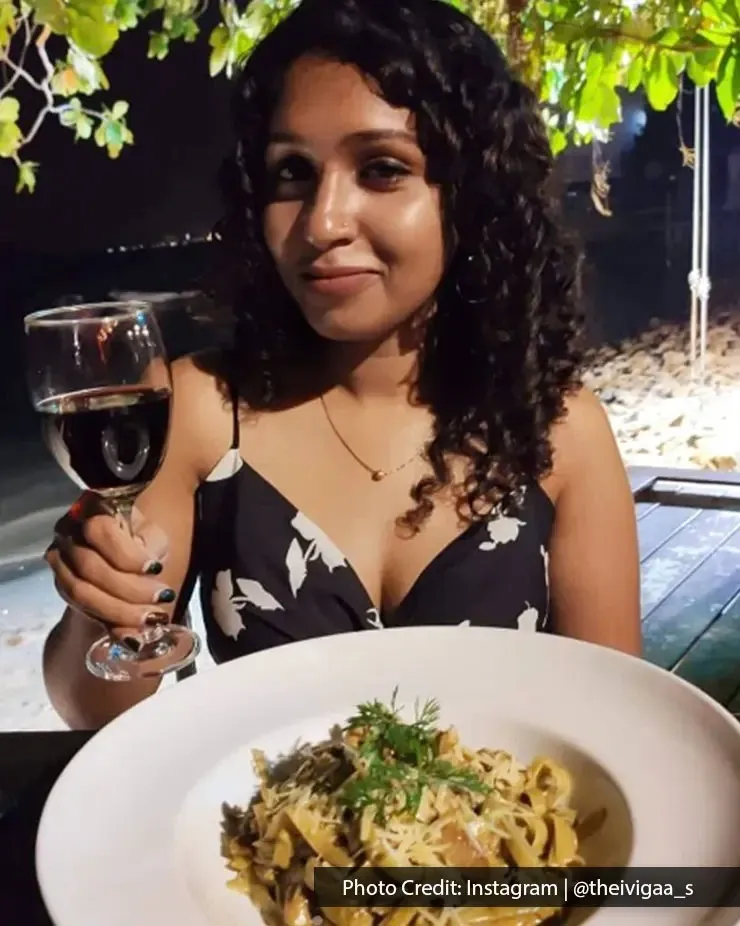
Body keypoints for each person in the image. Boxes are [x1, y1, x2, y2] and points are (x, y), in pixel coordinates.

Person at [42, 0, 641, 729]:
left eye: (382, 169)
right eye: (292, 172)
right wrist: (97, 604)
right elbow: (93, 711)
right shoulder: (201, 410)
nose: (322, 222)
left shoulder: (558, 432)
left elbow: (619, 718)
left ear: (472, 198)